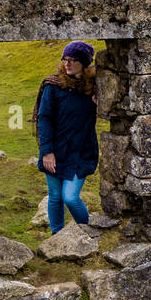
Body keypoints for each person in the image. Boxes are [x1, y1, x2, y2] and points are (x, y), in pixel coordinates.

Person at [33, 41, 100, 234]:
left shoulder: (94, 88)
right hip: (55, 150)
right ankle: (57, 236)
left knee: (70, 197)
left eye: (73, 60)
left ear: (85, 63)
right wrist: (47, 152)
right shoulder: (53, 86)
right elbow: (44, 119)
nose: (67, 64)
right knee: (55, 196)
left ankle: (87, 232)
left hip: (81, 151)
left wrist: (99, 102)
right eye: (65, 60)